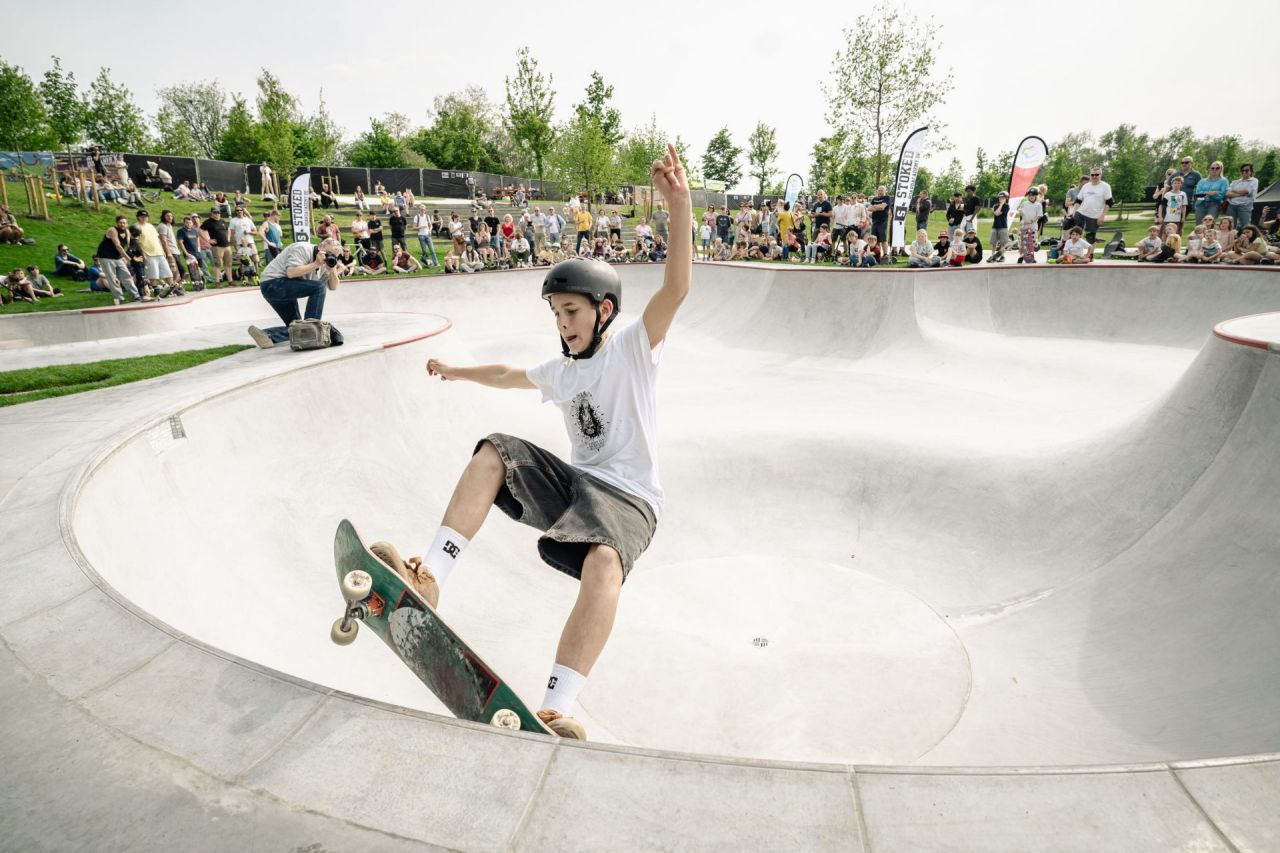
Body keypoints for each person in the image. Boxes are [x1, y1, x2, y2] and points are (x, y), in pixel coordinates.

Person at [375, 144, 691, 741]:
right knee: (494, 449)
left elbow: (675, 289)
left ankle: (557, 706)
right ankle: (430, 576)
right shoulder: (561, 370)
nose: (562, 323)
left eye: (571, 311)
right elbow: (507, 375)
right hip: (577, 487)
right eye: (555, 313)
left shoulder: (633, 351)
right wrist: (456, 370)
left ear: (604, 312)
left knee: (604, 560)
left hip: (631, 502)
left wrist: (678, 207)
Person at [246, 238, 345, 349]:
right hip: (273, 284)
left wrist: (332, 270)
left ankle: (267, 335)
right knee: (319, 287)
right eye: (329, 253)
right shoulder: (302, 248)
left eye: (334, 256)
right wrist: (316, 264)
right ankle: (312, 329)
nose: (330, 257)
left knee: (298, 329)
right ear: (321, 246)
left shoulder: (325, 264)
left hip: (283, 289)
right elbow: (291, 273)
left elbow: (333, 286)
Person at [97, 215, 142, 303]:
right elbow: (118, 246)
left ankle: (135, 295)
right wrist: (128, 258)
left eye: (124, 223)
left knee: (126, 275)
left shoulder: (127, 232)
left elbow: (128, 247)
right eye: (120, 223)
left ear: (127, 224)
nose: (122, 224)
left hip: (117, 257)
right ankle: (119, 297)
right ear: (117, 223)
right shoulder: (112, 230)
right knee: (112, 278)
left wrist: (130, 256)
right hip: (106, 257)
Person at [1074, 169, 1112, 245]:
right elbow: (1078, 200)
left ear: (1101, 175)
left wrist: (1102, 216)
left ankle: (1090, 255)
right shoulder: (1086, 186)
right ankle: (1075, 253)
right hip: (1081, 213)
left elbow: (1109, 202)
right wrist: (1074, 212)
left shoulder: (1105, 186)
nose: (1094, 176)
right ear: (1090, 175)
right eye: (1092, 175)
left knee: (1090, 238)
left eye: (1097, 175)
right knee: (1075, 234)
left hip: (1094, 216)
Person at [202, 207, 233, 286]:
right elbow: (200, 231)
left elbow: (228, 229)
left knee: (228, 264)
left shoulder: (222, 221)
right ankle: (217, 282)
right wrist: (208, 240)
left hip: (226, 245)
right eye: (215, 212)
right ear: (211, 213)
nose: (216, 214)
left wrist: (228, 238)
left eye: (218, 212)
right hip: (217, 246)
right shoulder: (208, 222)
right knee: (218, 264)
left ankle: (230, 281)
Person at [1225, 163, 1258, 231]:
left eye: (1246, 170)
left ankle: (1246, 241)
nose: (1244, 172)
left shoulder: (1254, 180)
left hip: (1244, 205)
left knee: (1245, 227)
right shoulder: (1235, 182)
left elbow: (1246, 191)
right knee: (1229, 226)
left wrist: (1233, 191)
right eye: (1242, 170)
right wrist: (1240, 193)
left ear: (1251, 171)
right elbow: (1227, 194)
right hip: (1231, 205)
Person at [1016, 187, 1043, 263]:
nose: (1031, 197)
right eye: (1029, 195)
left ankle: (1036, 246)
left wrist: (1031, 221)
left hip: (1033, 226)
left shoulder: (1038, 205)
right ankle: (1022, 257)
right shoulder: (1024, 203)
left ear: (1035, 196)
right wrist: (1015, 213)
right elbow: (1020, 212)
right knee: (1023, 242)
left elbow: (1039, 215)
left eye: (1032, 195)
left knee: (1032, 243)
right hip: (1024, 226)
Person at [988, 192, 1010, 262]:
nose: (1001, 199)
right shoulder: (995, 205)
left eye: (1003, 198)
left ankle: (1002, 257)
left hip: (1003, 226)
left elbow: (998, 213)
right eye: (1000, 198)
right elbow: (996, 213)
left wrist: (1002, 204)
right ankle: (993, 256)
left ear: (1006, 198)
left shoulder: (1006, 206)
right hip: (995, 226)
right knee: (993, 243)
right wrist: (1000, 205)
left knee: (1003, 243)